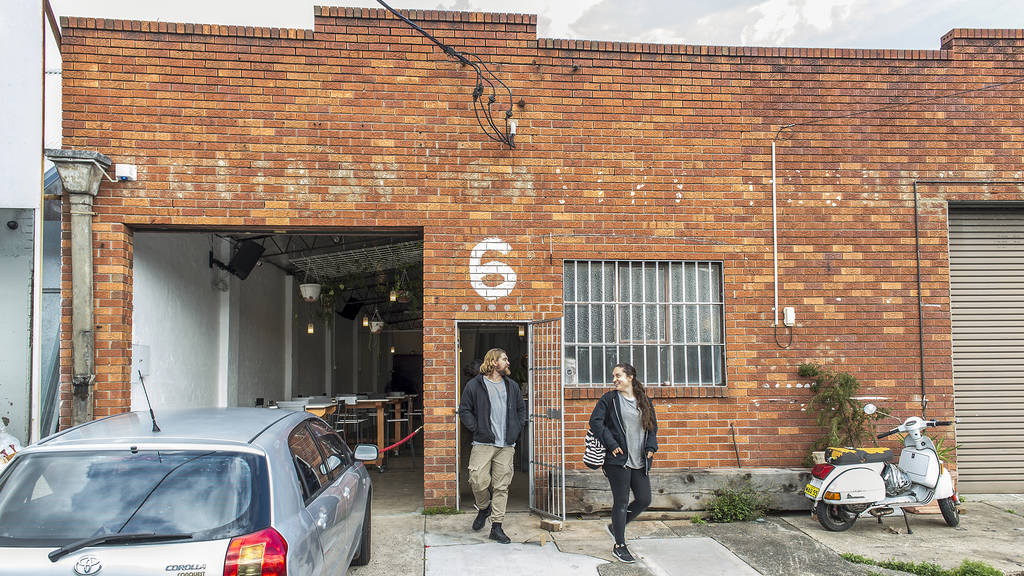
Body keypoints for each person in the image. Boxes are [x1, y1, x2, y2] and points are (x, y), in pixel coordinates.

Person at [588, 363, 658, 563]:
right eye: (613, 376)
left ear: (630, 377)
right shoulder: (609, 399)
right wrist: (611, 444)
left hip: (640, 460)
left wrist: (651, 448)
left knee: (644, 499)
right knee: (621, 501)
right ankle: (619, 545)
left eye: (618, 375)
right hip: (617, 460)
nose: (614, 379)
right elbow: (595, 422)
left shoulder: (644, 400)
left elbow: (652, 427)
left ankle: (615, 526)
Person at [458, 348, 527, 544]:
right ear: (494, 362)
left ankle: (497, 526)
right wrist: (476, 428)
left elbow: (521, 409)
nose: (508, 362)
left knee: (501, 486)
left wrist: (517, 427)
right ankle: (484, 507)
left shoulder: (512, 386)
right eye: (504, 359)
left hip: (506, 444)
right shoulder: (475, 385)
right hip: (483, 442)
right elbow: (464, 410)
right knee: (477, 480)